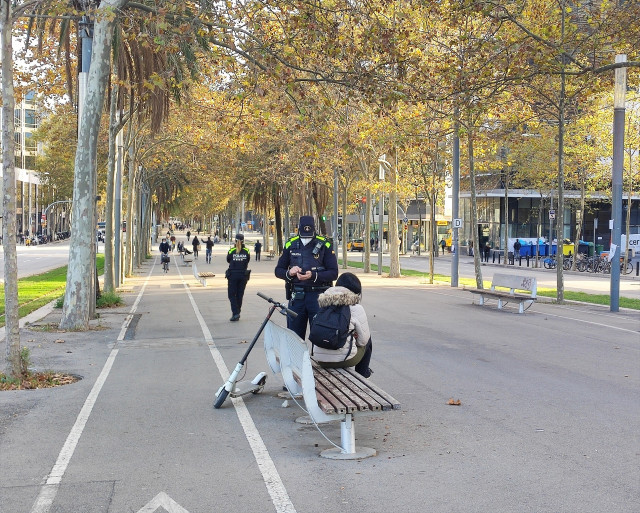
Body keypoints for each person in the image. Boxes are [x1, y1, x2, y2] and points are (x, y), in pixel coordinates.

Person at [275, 215, 338, 340]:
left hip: (318, 297)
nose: (306, 238)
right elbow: (278, 270)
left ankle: (318, 359)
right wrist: (289, 273)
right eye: (304, 234)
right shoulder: (290, 244)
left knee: (321, 337)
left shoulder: (324, 244)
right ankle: (297, 360)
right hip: (297, 297)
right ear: (298, 229)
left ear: (314, 229)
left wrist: (314, 275)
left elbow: (334, 273)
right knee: (294, 338)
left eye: (309, 234)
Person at [311, 272, 373, 378]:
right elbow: (363, 341)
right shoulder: (356, 307)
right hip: (345, 359)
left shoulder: (323, 303)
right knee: (368, 341)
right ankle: (363, 374)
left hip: (319, 358)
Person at [226, 233, 251, 321]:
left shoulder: (231, 250)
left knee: (231, 295)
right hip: (243, 275)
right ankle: (237, 312)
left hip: (233, 275)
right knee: (240, 295)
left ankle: (235, 313)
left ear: (235, 240)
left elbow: (228, 260)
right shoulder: (247, 251)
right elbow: (248, 260)